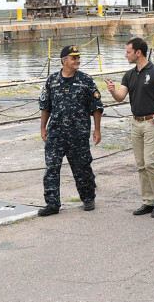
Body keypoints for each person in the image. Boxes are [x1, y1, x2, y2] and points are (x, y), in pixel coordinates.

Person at [106, 37, 154, 218]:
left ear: (138, 52)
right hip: (136, 122)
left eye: (128, 52)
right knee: (141, 164)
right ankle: (148, 201)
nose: (126, 55)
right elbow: (120, 97)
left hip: (151, 122)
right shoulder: (129, 75)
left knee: (150, 162)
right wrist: (112, 90)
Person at [38, 45, 104, 216]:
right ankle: (52, 204)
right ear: (64, 60)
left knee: (82, 168)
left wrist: (97, 130)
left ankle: (88, 198)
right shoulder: (52, 80)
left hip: (79, 134)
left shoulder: (86, 80)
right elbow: (45, 106)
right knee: (52, 169)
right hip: (56, 134)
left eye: (78, 57)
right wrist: (43, 128)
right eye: (73, 58)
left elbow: (96, 107)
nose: (77, 60)